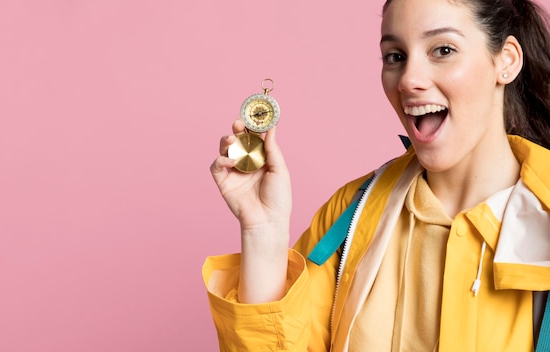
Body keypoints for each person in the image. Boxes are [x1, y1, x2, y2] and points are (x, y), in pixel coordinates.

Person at [204, 0, 550, 350]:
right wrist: (263, 233)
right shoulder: (348, 216)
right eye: (395, 56)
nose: (409, 80)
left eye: (443, 50)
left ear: (506, 60)